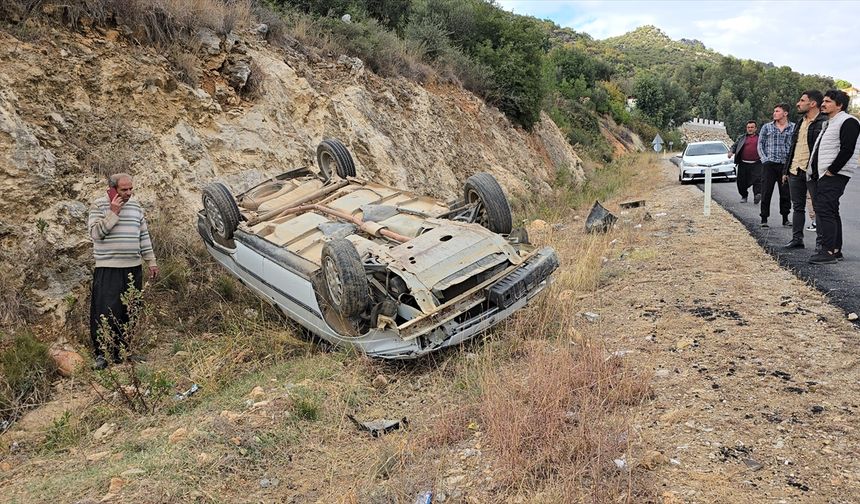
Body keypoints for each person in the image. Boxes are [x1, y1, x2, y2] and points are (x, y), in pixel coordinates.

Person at [88, 173, 159, 369]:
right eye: (123, 190)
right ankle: (103, 355)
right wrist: (113, 212)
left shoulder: (136, 206)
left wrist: (151, 261)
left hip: (133, 267)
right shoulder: (99, 206)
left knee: (130, 311)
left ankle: (124, 352)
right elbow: (95, 234)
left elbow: (143, 235)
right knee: (106, 312)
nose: (128, 193)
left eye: (130, 189)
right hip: (108, 268)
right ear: (112, 190)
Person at [807, 90, 859, 264]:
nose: (823, 104)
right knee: (831, 210)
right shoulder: (830, 123)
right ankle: (835, 250)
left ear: (840, 105)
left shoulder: (849, 121)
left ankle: (827, 252)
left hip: (834, 174)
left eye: (828, 102)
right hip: (825, 174)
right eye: (824, 101)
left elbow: (847, 149)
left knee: (824, 209)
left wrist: (831, 170)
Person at [781, 90, 827, 249]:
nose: (798, 103)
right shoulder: (800, 122)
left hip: (812, 172)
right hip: (795, 170)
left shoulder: (824, 122)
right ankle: (797, 239)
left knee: (819, 208)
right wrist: (786, 170)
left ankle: (821, 244)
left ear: (812, 103)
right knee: (798, 207)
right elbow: (793, 147)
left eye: (802, 100)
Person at [757, 104, 795, 228]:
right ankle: (764, 218)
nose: (774, 113)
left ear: (785, 113)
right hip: (769, 164)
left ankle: (785, 218)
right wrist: (765, 160)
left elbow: (795, 146)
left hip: (785, 164)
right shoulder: (767, 127)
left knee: (785, 193)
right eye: (774, 111)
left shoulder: (793, 127)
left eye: (777, 111)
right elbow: (760, 144)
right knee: (766, 191)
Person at [728, 120, 762, 203]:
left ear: (756, 128)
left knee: (758, 181)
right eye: (748, 127)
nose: (750, 129)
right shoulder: (742, 138)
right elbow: (735, 145)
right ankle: (744, 195)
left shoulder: (760, 137)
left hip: (757, 163)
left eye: (752, 127)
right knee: (741, 182)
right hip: (743, 163)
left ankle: (757, 195)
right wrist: (731, 151)